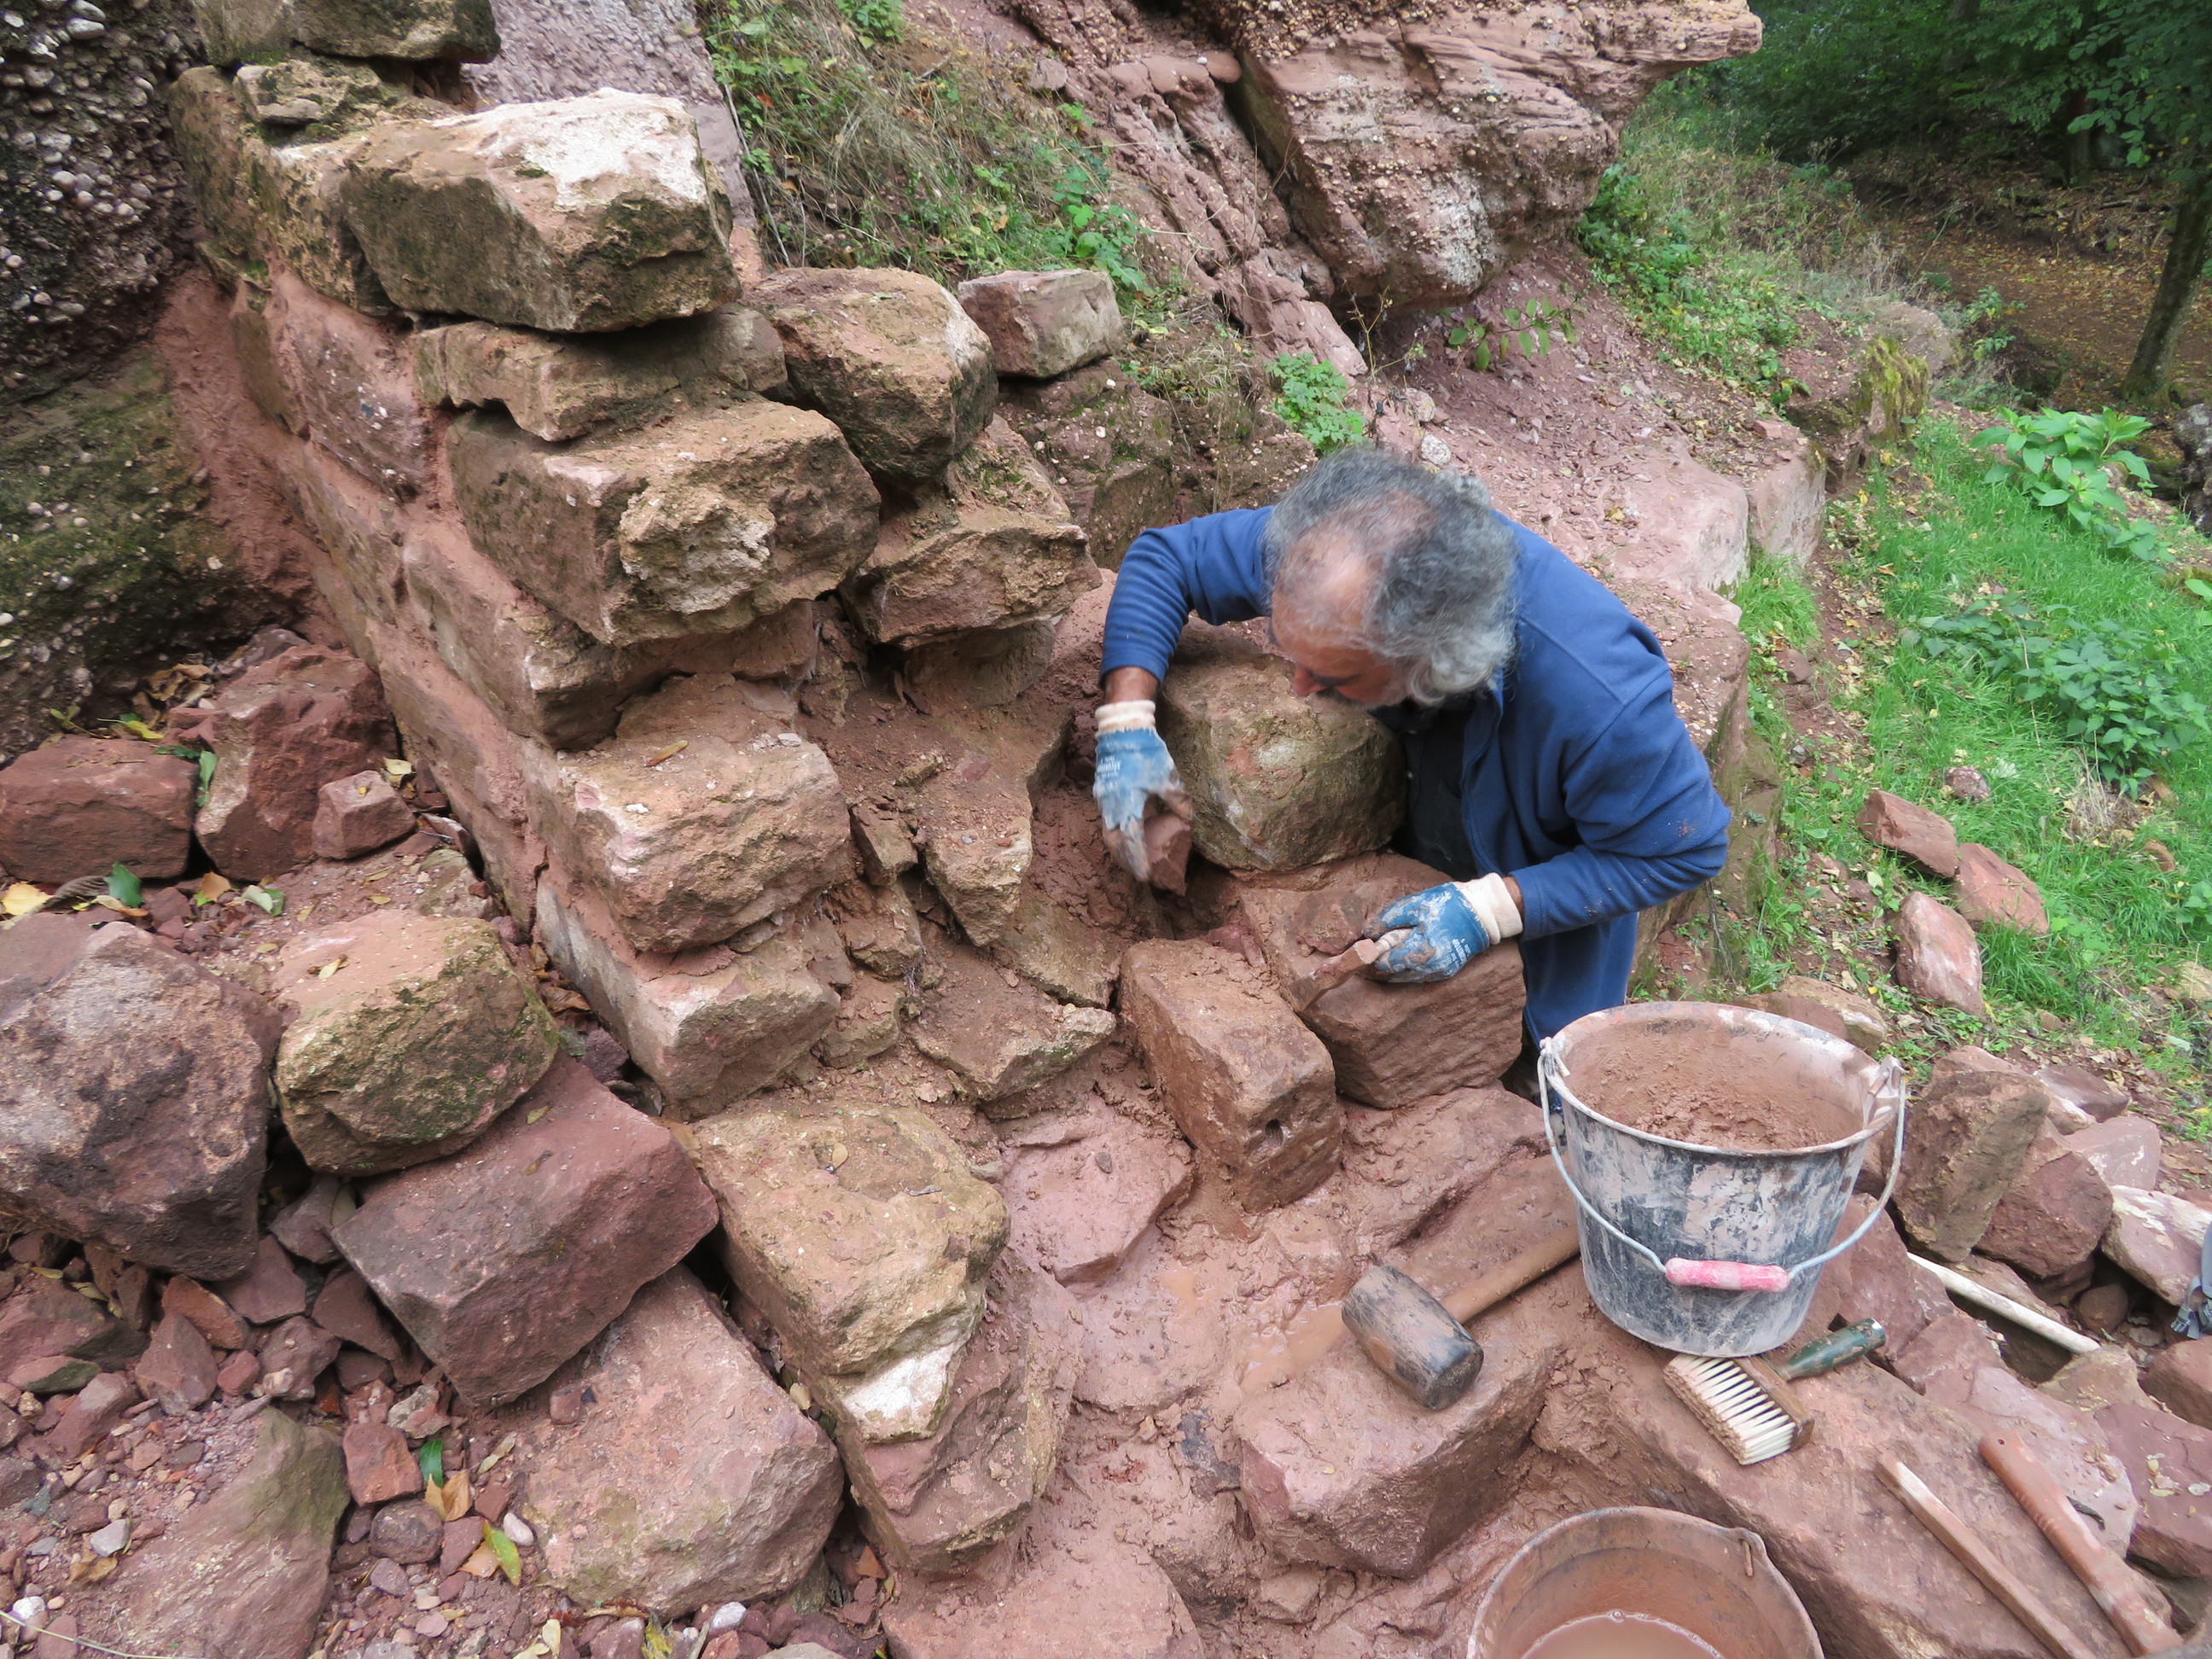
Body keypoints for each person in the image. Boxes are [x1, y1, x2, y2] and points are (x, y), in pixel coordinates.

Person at [1090, 445, 1732, 1062]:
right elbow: (1165, 558)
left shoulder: (1599, 700)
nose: (1300, 689)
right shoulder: (1337, 556)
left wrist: (1492, 909)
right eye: (1292, 652)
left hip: (1543, 950)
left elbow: (1687, 849)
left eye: (1333, 677)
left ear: (1432, 659)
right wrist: (1126, 723)